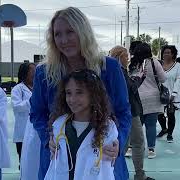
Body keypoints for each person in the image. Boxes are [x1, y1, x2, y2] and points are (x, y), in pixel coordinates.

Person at [31, 7, 131, 180]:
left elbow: (123, 112)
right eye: (57, 34)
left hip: (103, 156)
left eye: (70, 32)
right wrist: (48, 139)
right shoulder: (44, 73)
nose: (63, 40)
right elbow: (37, 114)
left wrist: (118, 142)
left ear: (83, 32)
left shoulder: (109, 68)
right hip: (59, 157)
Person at [45, 69, 118, 180]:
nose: (72, 99)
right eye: (68, 93)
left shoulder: (108, 127)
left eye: (79, 92)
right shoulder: (59, 125)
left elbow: (107, 167)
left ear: (93, 95)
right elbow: (53, 165)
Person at [109, 45, 154, 180]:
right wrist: (140, 77)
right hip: (130, 112)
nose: (128, 58)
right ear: (119, 57)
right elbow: (131, 89)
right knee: (138, 142)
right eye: (126, 56)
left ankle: (118, 173)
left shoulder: (115, 71)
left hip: (121, 113)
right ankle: (139, 174)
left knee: (122, 143)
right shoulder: (120, 71)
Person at [130, 42, 166, 159]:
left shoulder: (133, 64)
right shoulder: (154, 62)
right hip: (153, 98)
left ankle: (132, 148)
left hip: (137, 98)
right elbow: (163, 79)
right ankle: (151, 150)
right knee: (151, 125)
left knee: (137, 125)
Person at [11, 63, 36, 168]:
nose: (35, 73)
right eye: (32, 71)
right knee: (23, 159)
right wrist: (31, 101)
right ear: (24, 73)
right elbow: (16, 106)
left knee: (34, 158)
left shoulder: (38, 87)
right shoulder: (18, 89)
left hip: (36, 128)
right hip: (22, 129)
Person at [157, 45, 180, 143]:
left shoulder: (177, 66)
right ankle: (164, 129)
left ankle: (170, 133)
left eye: (168, 52)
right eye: (165, 52)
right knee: (159, 114)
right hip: (159, 94)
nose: (166, 54)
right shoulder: (158, 65)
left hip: (172, 94)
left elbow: (178, 80)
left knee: (171, 114)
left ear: (173, 54)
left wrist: (174, 93)